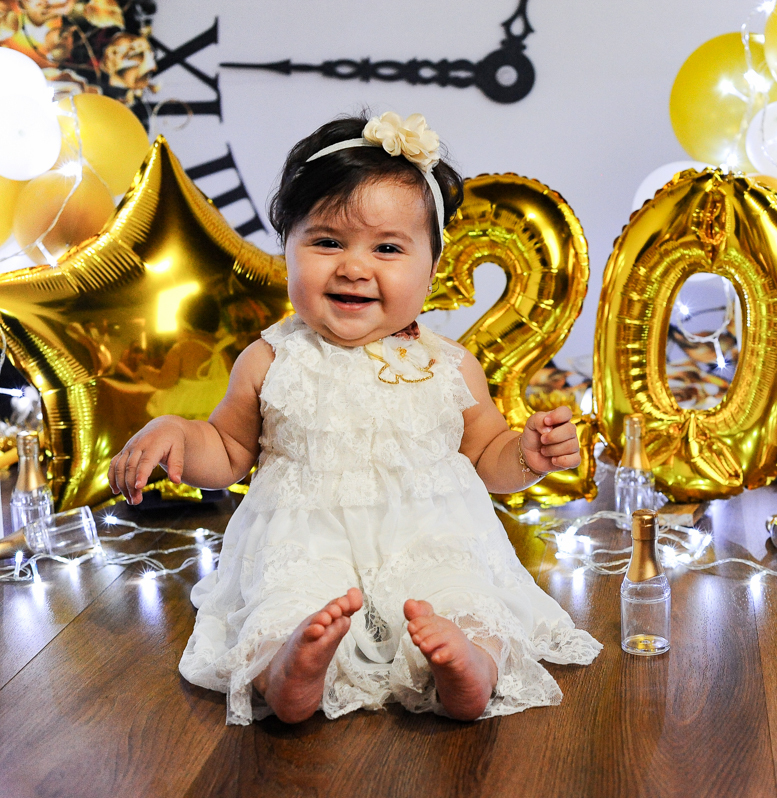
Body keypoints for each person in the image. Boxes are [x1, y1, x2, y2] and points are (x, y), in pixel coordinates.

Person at [108, 111, 601, 726]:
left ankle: (472, 665)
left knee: (470, 601)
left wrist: (527, 455)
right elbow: (228, 450)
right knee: (286, 606)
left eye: (387, 248)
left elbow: (485, 456)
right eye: (327, 242)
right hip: (304, 541)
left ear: (432, 268)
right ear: (287, 251)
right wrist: (178, 434)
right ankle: (287, 670)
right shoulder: (270, 358)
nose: (353, 267)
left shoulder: (449, 365)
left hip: (432, 540)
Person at [139, 293, 234, 420]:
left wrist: (145, 371)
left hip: (185, 416)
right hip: (216, 416)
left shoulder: (181, 349)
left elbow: (164, 381)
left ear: (184, 325)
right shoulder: (221, 353)